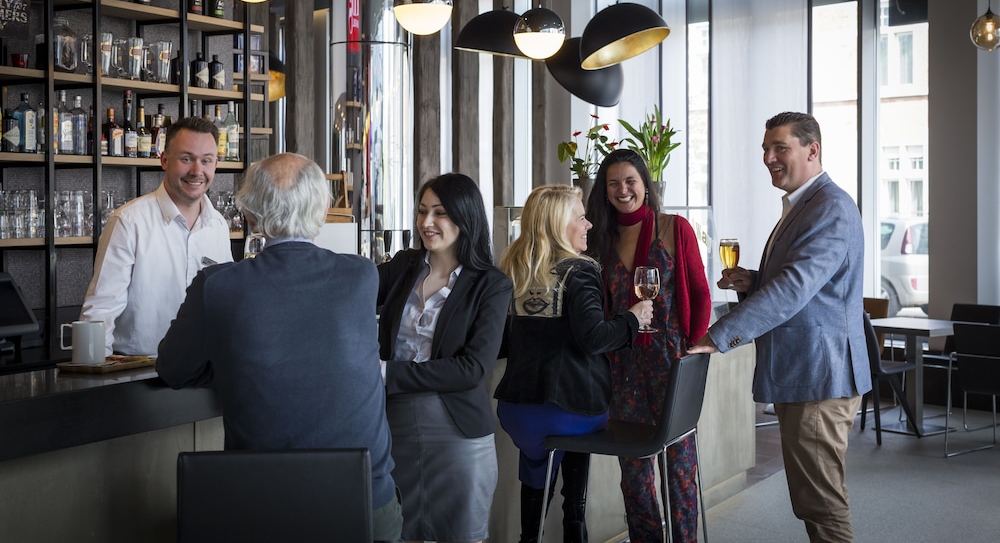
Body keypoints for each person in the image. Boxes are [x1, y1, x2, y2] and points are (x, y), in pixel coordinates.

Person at [156, 152, 403, 542]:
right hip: (366, 501)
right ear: (324, 207)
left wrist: (233, 367)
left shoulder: (217, 285)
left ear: (249, 214)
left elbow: (173, 369)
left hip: (263, 503)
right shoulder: (361, 275)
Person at [689, 111, 870, 543]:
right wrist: (753, 281)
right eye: (766, 149)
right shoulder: (804, 204)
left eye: (780, 148)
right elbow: (811, 287)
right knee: (813, 499)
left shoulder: (829, 207)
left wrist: (719, 335)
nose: (769, 158)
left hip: (820, 377)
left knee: (821, 503)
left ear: (812, 150)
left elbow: (794, 288)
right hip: (808, 375)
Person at [495, 184, 652, 543]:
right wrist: (632, 318)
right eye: (580, 218)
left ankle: (530, 536)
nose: (589, 225)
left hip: (517, 412)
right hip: (574, 412)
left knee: (539, 456)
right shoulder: (580, 271)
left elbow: (500, 345)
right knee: (575, 432)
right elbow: (594, 338)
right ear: (557, 224)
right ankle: (574, 524)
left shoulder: (513, 270)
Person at [377, 172, 512, 543]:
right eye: (422, 211)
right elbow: (349, 290)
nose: (426, 222)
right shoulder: (403, 266)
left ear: (465, 217)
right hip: (394, 431)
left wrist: (387, 373)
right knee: (396, 534)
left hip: (458, 436)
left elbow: (472, 369)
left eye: (440, 212)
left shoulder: (491, 284)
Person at [585, 148, 712, 543]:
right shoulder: (599, 239)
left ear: (645, 185)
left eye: (630, 181)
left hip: (671, 362)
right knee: (634, 474)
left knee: (680, 467)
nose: (623, 190)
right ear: (604, 191)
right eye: (613, 183)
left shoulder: (675, 228)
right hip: (621, 368)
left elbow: (700, 292)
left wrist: (695, 347)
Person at [80, 116, 232, 357]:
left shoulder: (219, 226)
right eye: (186, 159)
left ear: (216, 164)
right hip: (139, 370)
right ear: (164, 160)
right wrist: (97, 371)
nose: (197, 171)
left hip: (203, 369)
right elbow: (100, 311)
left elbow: (225, 303)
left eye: (206, 160)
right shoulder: (128, 222)